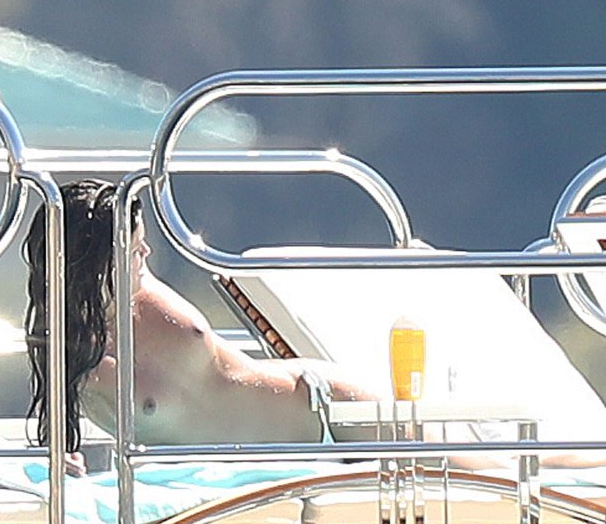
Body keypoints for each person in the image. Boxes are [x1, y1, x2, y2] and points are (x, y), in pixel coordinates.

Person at [23, 179, 376, 455]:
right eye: (135, 247)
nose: (146, 251)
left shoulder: (138, 288)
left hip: (323, 406)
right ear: (99, 262)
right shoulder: (71, 350)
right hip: (266, 466)